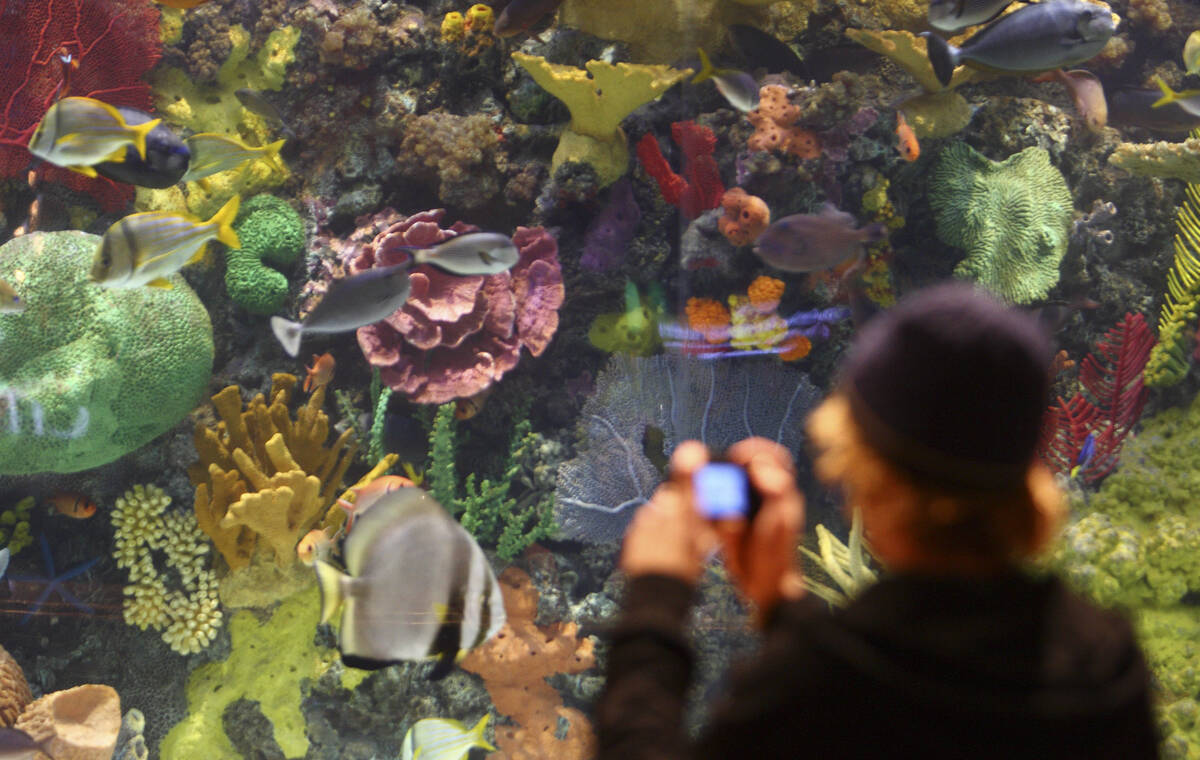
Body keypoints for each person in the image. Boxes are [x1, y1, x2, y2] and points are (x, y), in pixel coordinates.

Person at [595, 282, 1158, 759]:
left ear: (869, 473)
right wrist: (780, 602)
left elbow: (854, 678)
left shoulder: (817, 689)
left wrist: (655, 598)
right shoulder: (1105, 666)